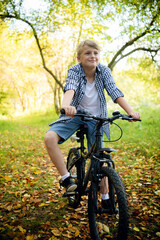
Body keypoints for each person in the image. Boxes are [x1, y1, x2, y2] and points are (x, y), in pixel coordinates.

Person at [44, 39, 140, 206]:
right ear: (79, 58)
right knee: (50, 137)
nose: (92, 56)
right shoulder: (74, 71)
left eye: (95, 53)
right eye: (88, 53)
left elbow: (114, 91)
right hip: (75, 115)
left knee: (100, 157)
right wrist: (66, 105)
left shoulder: (104, 71)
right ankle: (67, 179)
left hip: (98, 118)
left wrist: (130, 111)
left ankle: (106, 198)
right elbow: (70, 89)